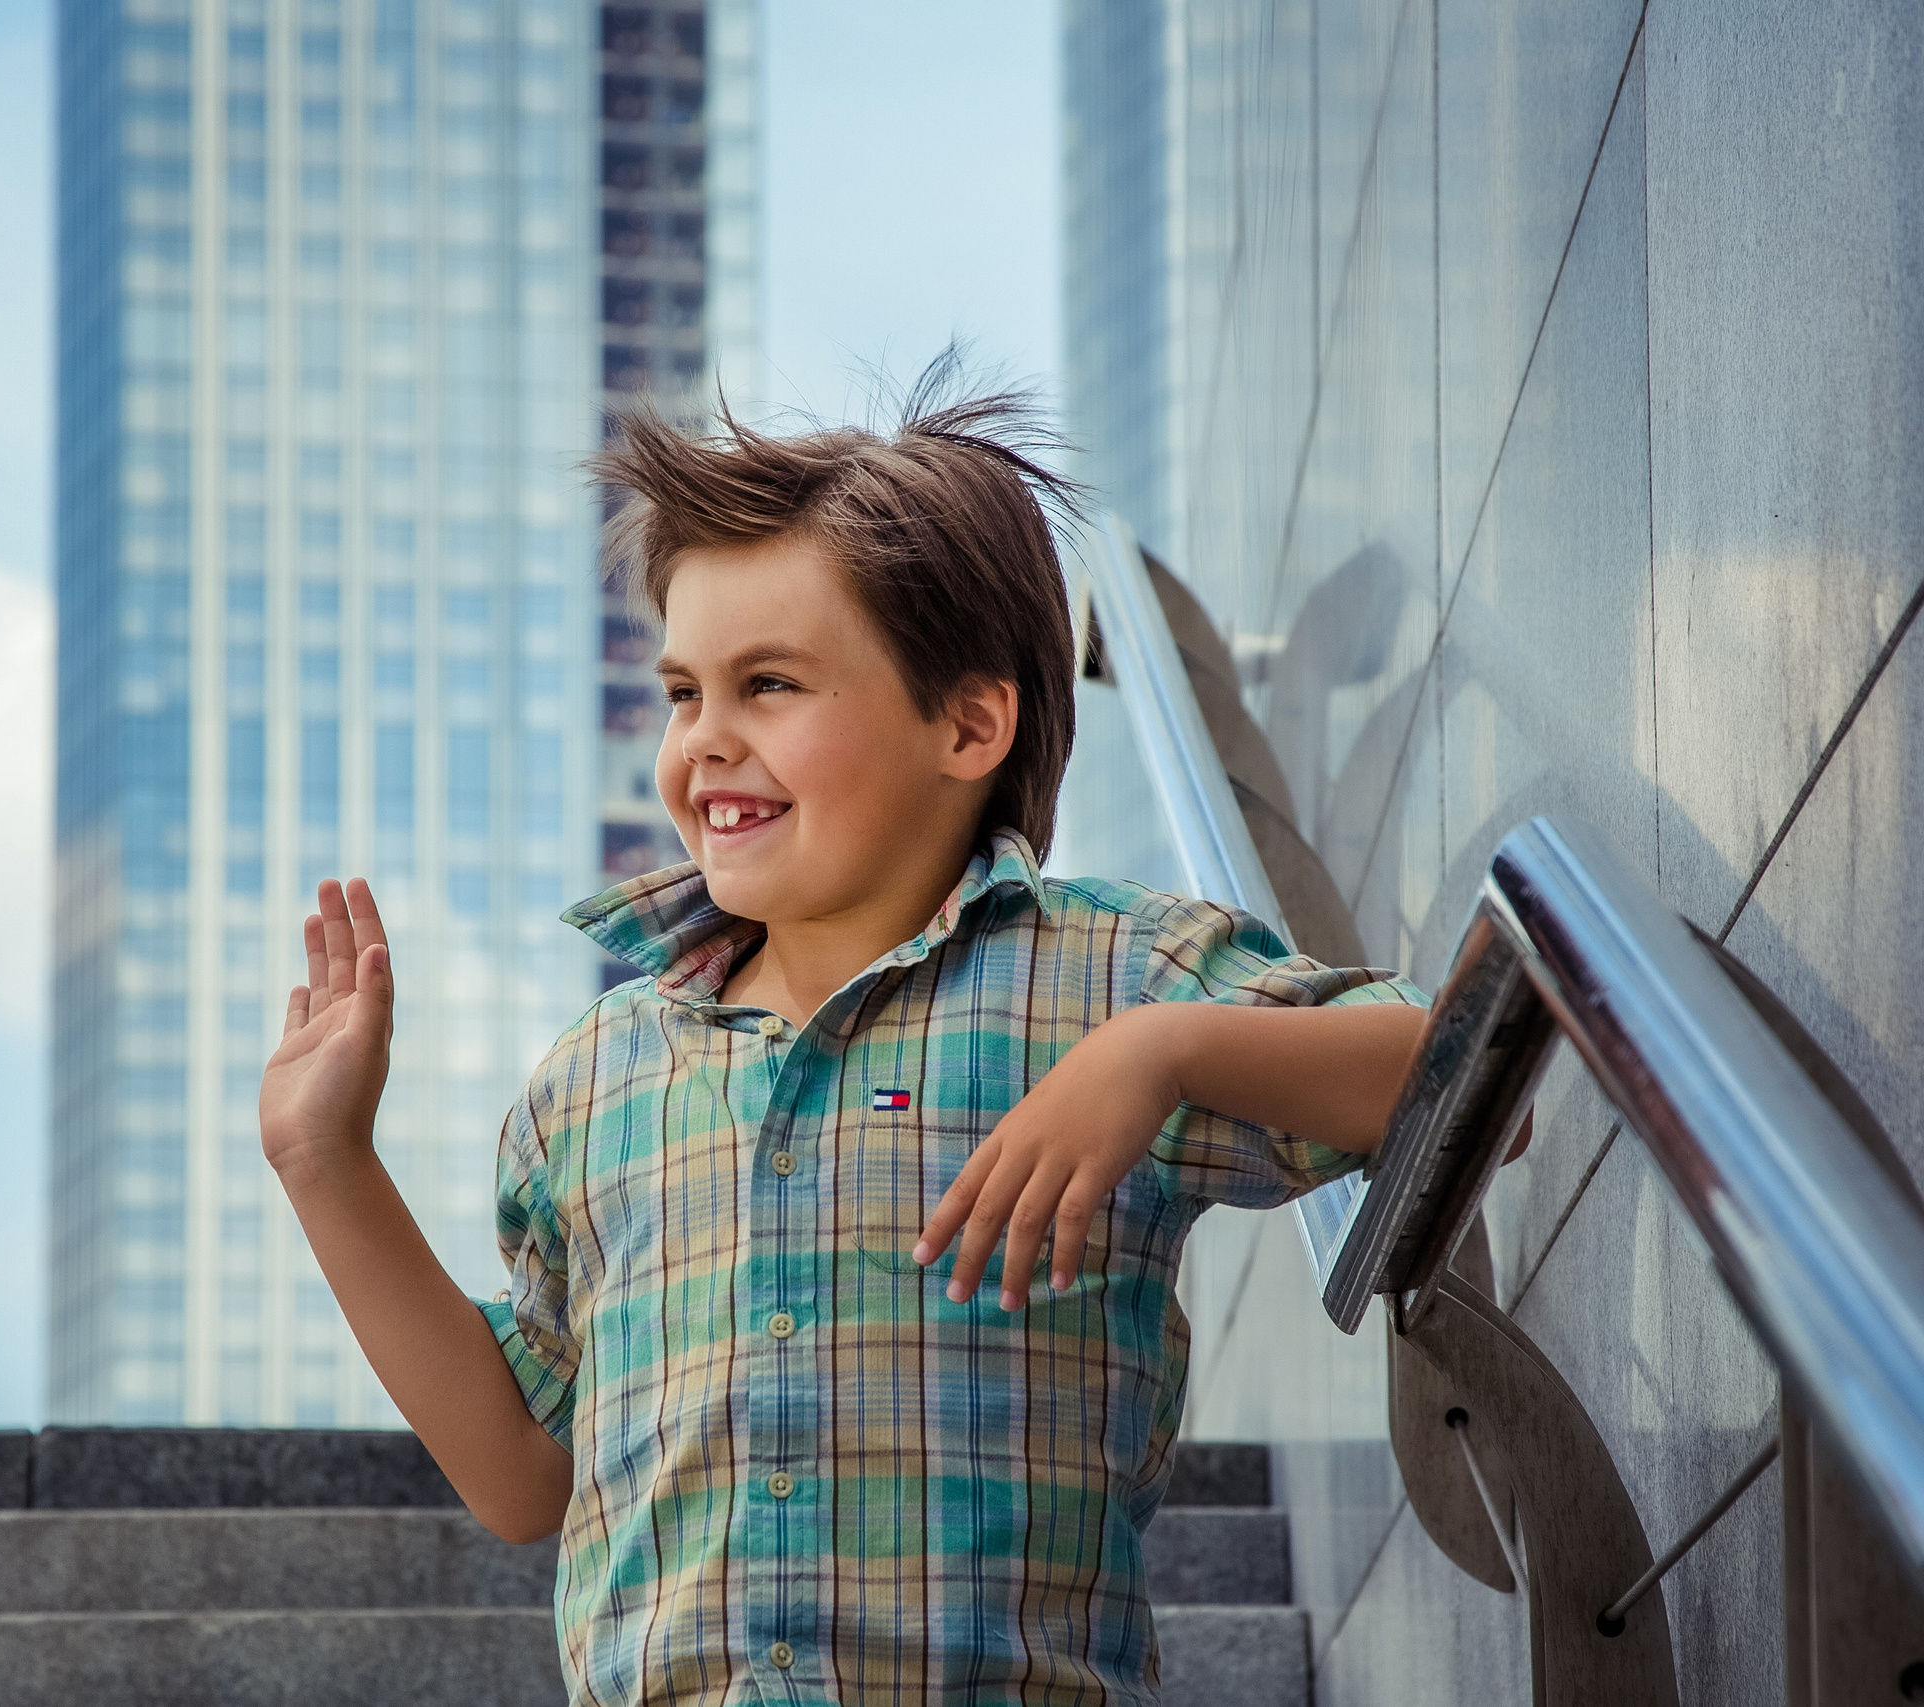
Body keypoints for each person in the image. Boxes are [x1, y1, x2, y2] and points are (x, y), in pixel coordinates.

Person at [259, 362, 1431, 1706]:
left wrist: (1160, 1054)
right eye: (683, 691)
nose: (705, 742)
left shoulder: (1113, 979)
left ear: (969, 722)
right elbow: (528, 1475)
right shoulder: (596, 1077)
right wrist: (325, 1163)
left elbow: (1461, 1078)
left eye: (771, 686)